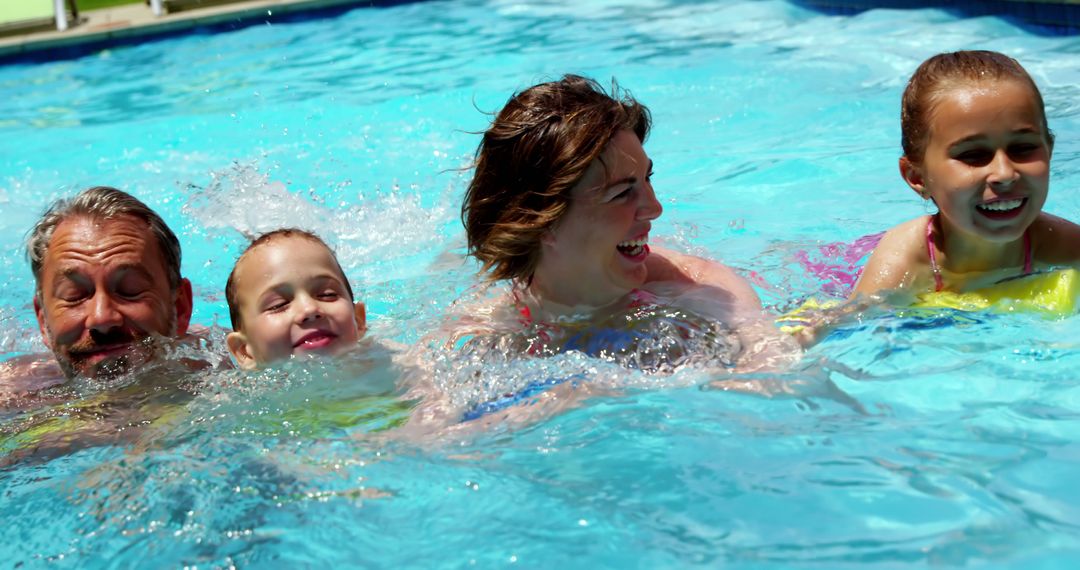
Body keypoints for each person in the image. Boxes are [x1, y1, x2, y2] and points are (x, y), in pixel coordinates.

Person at [443, 74, 797, 401]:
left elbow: (768, 373)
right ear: (543, 222)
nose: (654, 208)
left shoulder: (700, 293)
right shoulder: (488, 325)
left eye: (647, 178)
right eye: (623, 193)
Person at [852, 50, 1080, 307]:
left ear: (1049, 151)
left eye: (1023, 148)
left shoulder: (1064, 245)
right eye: (973, 155)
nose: (1004, 173)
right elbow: (843, 322)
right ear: (917, 177)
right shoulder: (906, 258)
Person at [17, 186, 194, 385]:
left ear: (180, 308)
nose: (102, 318)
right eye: (74, 295)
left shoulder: (227, 369)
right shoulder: (14, 402)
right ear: (43, 322)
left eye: (130, 290)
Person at [224, 228, 367, 369]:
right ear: (245, 351)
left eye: (327, 294)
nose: (309, 309)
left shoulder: (386, 364)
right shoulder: (231, 392)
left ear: (358, 321)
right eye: (278, 305)